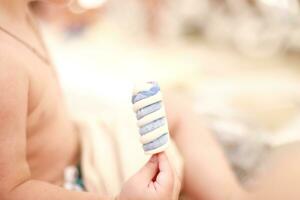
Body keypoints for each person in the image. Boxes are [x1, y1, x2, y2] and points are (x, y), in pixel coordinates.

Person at [1, 1, 300, 200]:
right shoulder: (5, 64)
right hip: (73, 182)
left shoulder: (19, 10)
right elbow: (12, 190)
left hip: (83, 142)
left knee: (174, 106)